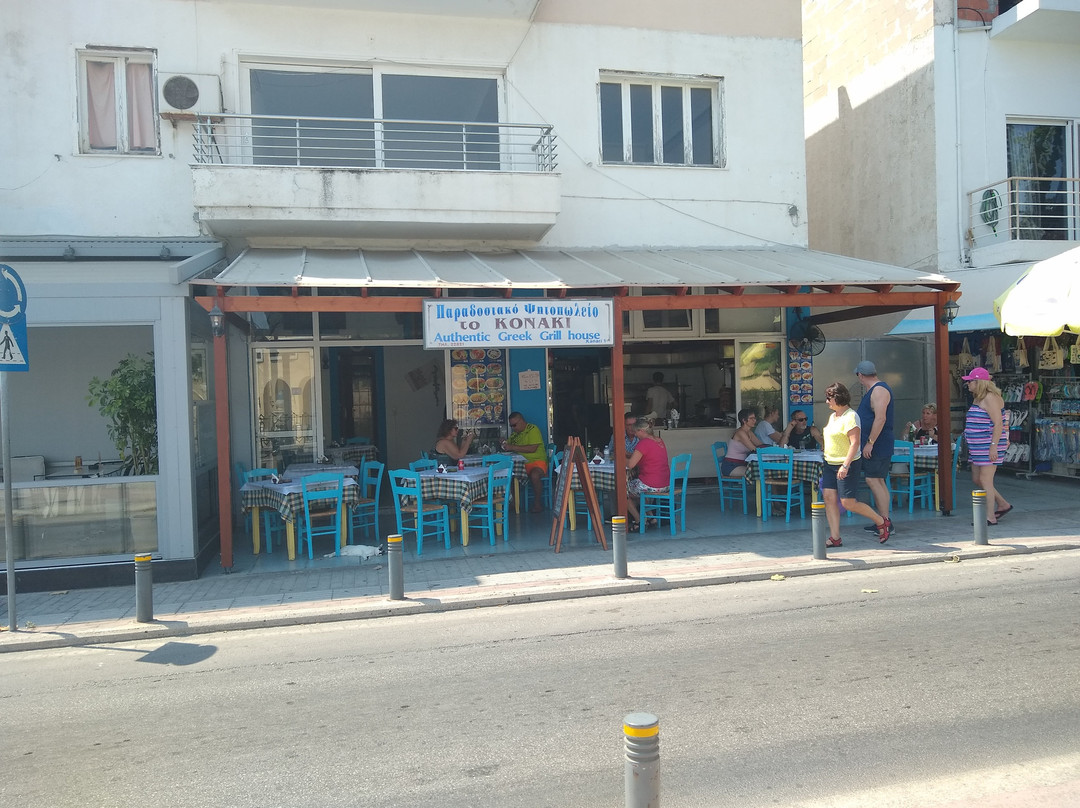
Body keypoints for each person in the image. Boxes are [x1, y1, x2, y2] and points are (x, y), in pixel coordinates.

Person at [821, 382, 891, 546]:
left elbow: (855, 443)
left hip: (847, 464)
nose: (827, 402)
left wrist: (845, 465)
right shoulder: (833, 416)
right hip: (830, 462)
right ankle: (835, 537)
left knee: (848, 502)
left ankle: (881, 521)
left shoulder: (851, 416)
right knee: (829, 498)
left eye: (829, 398)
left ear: (838, 398)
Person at [962, 367, 1012, 525]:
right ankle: (1003, 504)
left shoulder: (990, 398)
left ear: (979, 382)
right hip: (977, 446)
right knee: (977, 478)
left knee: (985, 479)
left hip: (988, 444)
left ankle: (989, 516)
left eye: (970, 381)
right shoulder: (978, 398)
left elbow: (998, 423)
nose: (968, 384)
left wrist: (993, 446)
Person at [854, 360, 895, 534]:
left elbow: (880, 418)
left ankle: (885, 522)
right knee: (878, 480)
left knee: (874, 480)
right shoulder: (876, 390)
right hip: (876, 443)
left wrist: (870, 443)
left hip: (877, 444)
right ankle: (884, 520)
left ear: (861, 375)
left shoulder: (878, 390)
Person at [624, 417, 670, 531]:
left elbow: (630, 464)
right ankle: (651, 517)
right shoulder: (659, 440)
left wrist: (620, 457)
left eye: (636, 432)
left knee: (622, 491)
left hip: (652, 484)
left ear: (641, 431)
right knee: (637, 487)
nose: (635, 435)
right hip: (665, 484)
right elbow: (647, 457)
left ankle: (639, 520)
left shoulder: (643, 443)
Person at [501, 411, 549, 513]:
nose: (513, 428)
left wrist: (512, 447)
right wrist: (503, 442)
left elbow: (532, 448)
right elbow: (508, 445)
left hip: (536, 462)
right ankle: (513, 503)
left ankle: (537, 503)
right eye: (511, 426)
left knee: (535, 475)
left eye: (514, 425)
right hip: (521, 465)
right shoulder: (515, 434)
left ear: (521, 421)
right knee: (509, 475)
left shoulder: (533, 429)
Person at [720, 407, 770, 478]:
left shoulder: (749, 432)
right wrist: (767, 450)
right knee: (759, 472)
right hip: (731, 466)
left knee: (763, 470)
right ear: (744, 420)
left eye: (754, 418)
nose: (754, 420)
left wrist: (771, 448)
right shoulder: (740, 433)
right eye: (751, 418)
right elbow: (754, 449)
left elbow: (760, 444)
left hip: (742, 464)